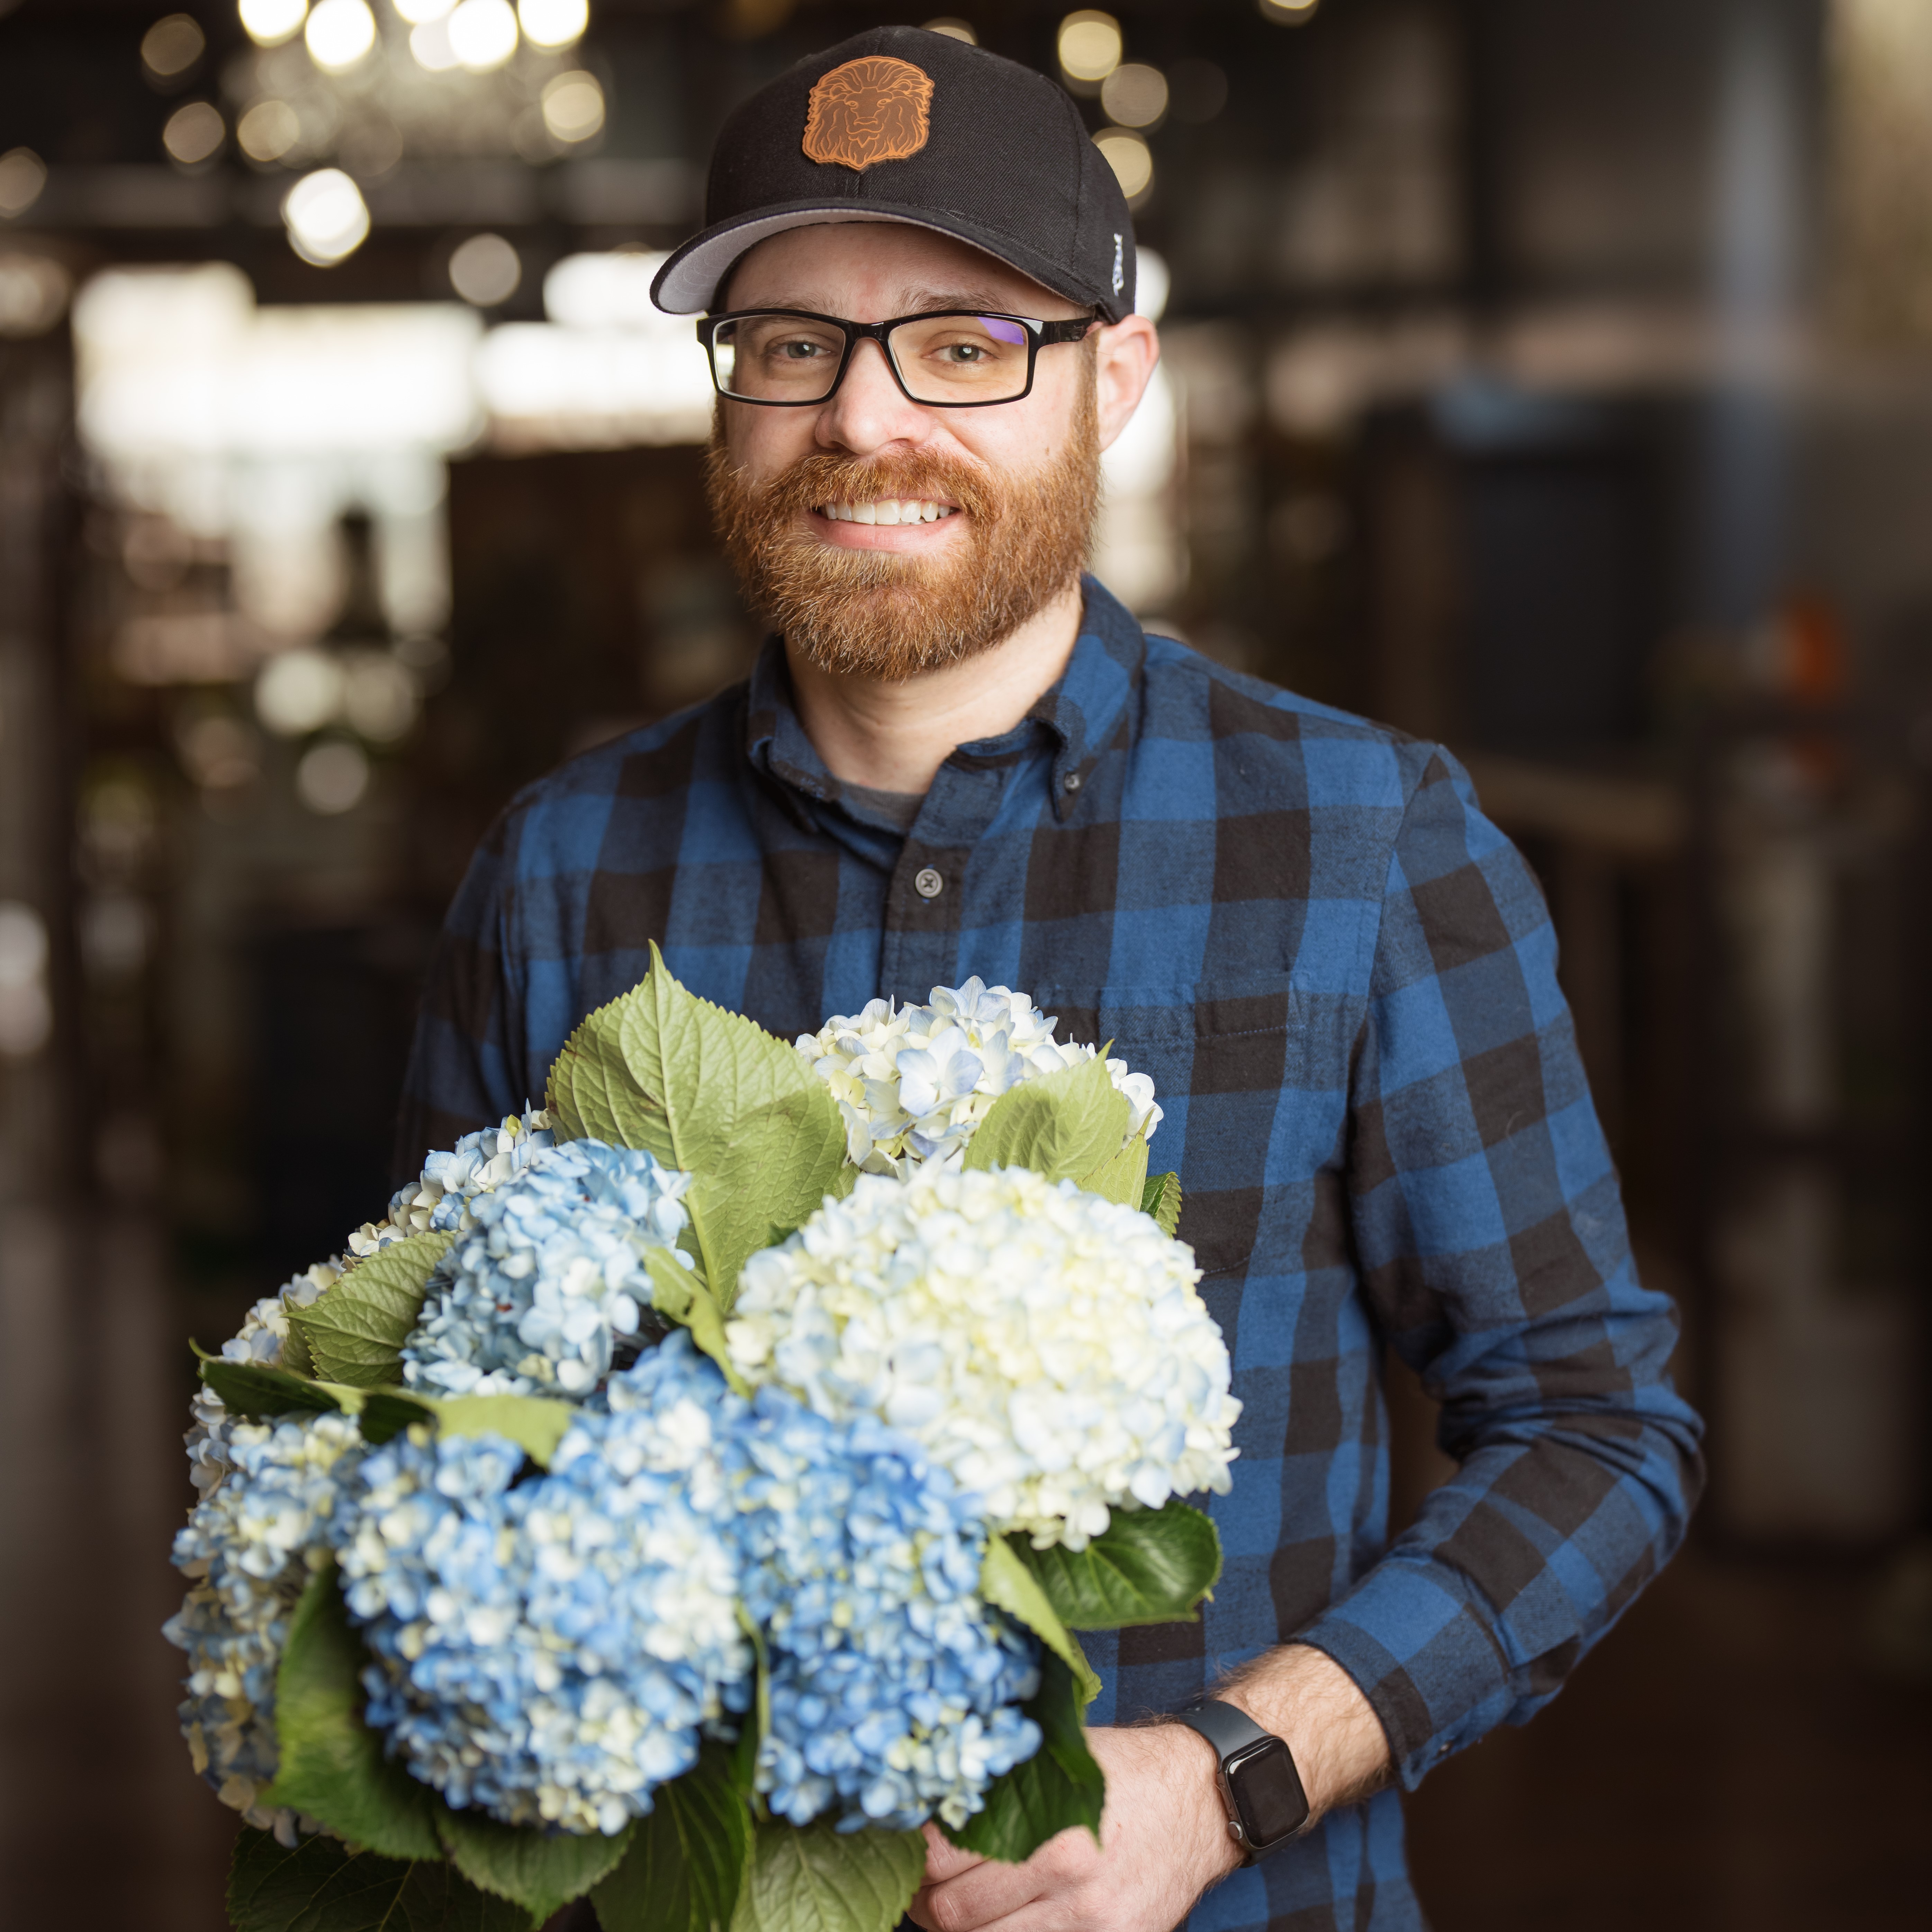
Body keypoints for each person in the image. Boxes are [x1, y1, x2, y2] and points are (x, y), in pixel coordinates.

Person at [395, 26, 1703, 1932]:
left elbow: (1594, 1431)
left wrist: (1225, 1779)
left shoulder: (1362, 845)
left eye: (963, 344)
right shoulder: (555, 878)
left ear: (1117, 379)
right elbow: (433, 1457)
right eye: (792, 344)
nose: (864, 420)